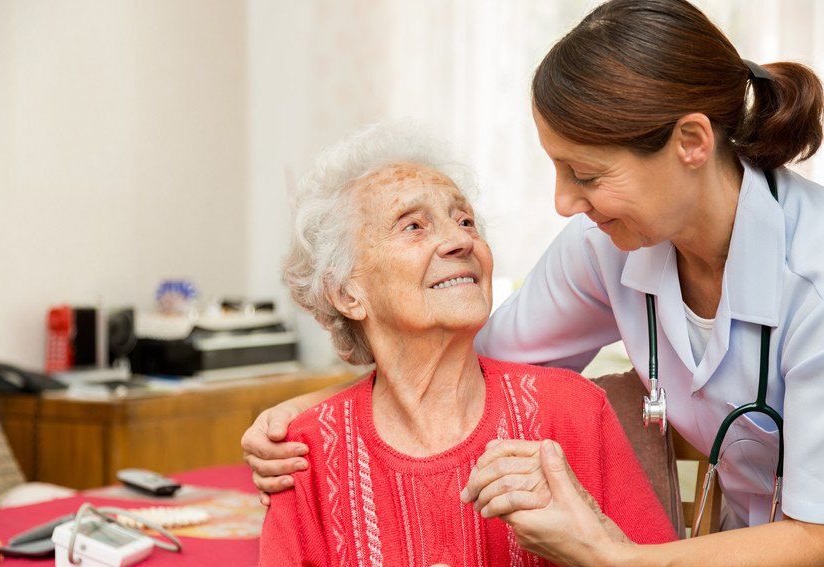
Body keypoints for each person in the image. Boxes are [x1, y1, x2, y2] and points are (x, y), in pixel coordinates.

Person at [245, 0, 824, 564]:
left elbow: (815, 534)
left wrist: (611, 560)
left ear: (692, 143)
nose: (563, 202)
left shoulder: (812, 273)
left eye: (587, 174)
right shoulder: (606, 246)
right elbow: (466, 362)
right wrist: (325, 412)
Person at [256, 124, 676, 566]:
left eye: (466, 221)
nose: (460, 240)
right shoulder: (303, 453)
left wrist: (585, 536)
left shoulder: (574, 410)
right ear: (346, 293)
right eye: (413, 226)